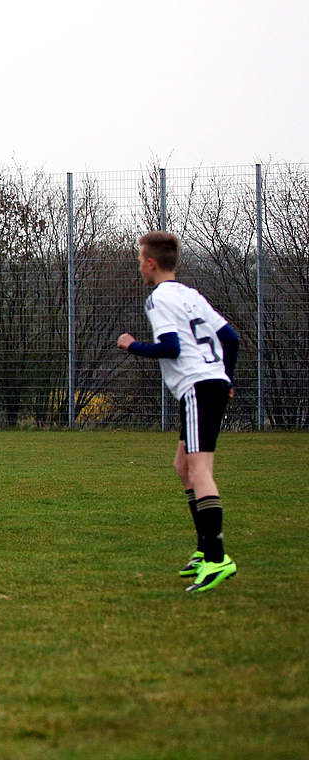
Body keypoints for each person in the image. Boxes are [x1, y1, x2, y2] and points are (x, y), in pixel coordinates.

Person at [117, 231, 239, 593]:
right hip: (210, 382)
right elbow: (230, 338)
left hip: (198, 387)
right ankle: (204, 551)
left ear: (151, 263)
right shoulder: (190, 295)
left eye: (141, 260)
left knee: (199, 471)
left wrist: (133, 345)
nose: (140, 266)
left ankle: (217, 558)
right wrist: (226, 377)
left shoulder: (158, 299)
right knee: (182, 465)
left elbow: (170, 347)